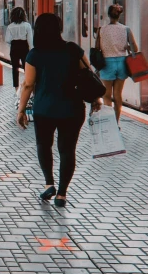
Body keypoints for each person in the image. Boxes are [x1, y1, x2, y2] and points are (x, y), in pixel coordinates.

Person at [17, 13, 102, 208]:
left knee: (44, 145)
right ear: (59, 28)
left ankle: (49, 183)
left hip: (44, 109)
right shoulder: (73, 50)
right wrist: (96, 98)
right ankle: (62, 193)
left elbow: (28, 85)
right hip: (72, 109)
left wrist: (21, 110)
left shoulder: (35, 54)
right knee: (67, 150)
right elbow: (89, 75)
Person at [98, 3, 138, 123]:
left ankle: (109, 122)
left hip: (107, 63)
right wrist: (126, 47)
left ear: (108, 15)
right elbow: (135, 49)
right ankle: (116, 122)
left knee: (106, 95)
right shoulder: (126, 29)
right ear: (119, 15)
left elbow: (97, 48)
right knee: (118, 94)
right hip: (121, 63)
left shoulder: (102, 29)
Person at [5, 6, 33, 105]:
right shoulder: (27, 25)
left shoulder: (10, 26)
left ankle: (16, 89)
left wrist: (12, 46)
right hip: (24, 46)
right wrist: (31, 50)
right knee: (27, 69)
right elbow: (30, 40)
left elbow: (7, 40)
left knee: (15, 68)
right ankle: (28, 88)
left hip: (14, 47)